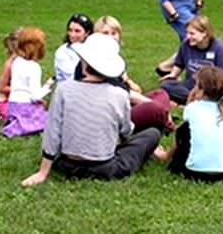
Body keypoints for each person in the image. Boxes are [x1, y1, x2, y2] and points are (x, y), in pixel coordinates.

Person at [21, 33, 161, 186]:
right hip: (105, 167)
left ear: (83, 62)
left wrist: (43, 172)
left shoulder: (64, 89)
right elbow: (126, 131)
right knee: (152, 134)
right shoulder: (119, 94)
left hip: (66, 164)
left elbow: (52, 131)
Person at [155, 66, 223, 182]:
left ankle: (166, 155)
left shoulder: (192, 108)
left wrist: (190, 99)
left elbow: (182, 137)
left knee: (184, 129)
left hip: (195, 173)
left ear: (200, 90)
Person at [92, 16, 174, 133]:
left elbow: (130, 87)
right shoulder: (96, 62)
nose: (110, 37)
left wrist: (129, 82)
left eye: (114, 33)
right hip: (112, 112)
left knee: (161, 94)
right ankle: (164, 121)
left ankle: (159, 119)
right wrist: (151, 104)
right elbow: (125, 93)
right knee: (154, 108)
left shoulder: (116, 60)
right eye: (106, 33)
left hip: (125, 103)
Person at [160, 15, 223, 105]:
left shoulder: (219, 47)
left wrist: (211, 90)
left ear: (204, 33)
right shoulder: (186, 45)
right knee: (166, 85)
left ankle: (192, 101)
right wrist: (173, 75)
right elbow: (179, 64)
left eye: (192, 33)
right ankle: (203, 101)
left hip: (212, 88)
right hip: (192, 86)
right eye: (187, 33)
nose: (188, 36)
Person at [1, 27, 50, 137]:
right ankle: (22, 127)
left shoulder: (16, 62)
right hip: (26, 106)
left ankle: (15, 123)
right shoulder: (34, 67)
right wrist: (47, 87)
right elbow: (34, 96)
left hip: (13, 105)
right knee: (48, 119)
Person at [0, 28, 22, 121]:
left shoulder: (27, 63)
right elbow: (1, 88)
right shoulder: (10, 65)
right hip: (5, 99)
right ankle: (3, 112)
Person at [53, 13, 93, 83]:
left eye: (77, 31)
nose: (72, 35)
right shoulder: (62, 52)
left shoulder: (93, 48)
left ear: (87, 33)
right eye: (70, 30)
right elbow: (73, 78)